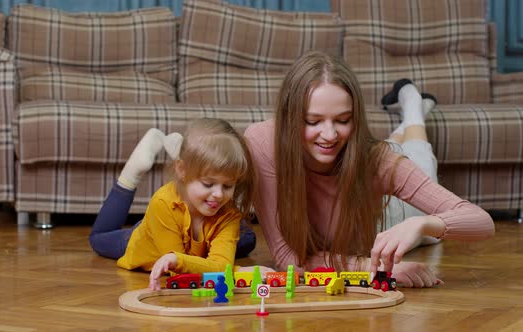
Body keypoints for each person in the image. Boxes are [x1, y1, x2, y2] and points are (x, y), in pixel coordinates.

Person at [244, 51, 495, 288]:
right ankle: (412, 113)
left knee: (418, 160)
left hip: (397, 218)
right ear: (290, 116)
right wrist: (371, 269)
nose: (330, 134)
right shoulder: (264, 142)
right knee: (393, 149)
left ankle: (413, 106)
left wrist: (423, 223)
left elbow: (482, 222)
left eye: (343, 120)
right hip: (373, 200)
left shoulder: (380, 160)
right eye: (313, 121)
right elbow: (288, 259)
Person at [89, 118, 266, 291]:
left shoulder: (229, 213)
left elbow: (218, 265)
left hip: (194, 245)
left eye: (228, 186)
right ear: (181, 170)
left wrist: (223, 269)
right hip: (148, 238)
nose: (219, 194)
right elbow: (177, 269)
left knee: (247, 239)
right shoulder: (163, 203)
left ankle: (189, 157)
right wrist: (237, 272)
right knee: (98, 239)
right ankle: (131, 173)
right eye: (208, 184)